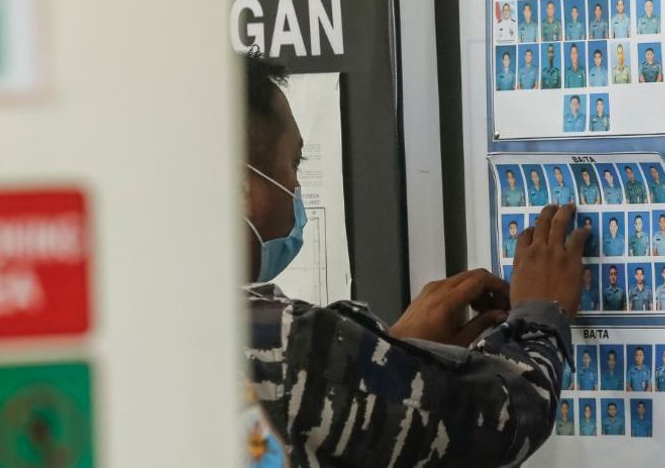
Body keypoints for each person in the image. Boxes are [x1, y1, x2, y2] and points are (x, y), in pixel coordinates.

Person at [242, 54, 590, 467]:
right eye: (293, 163)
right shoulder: (278, 342)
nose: (295, 186)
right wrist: (538, 313)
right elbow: (504, 419)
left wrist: (393, 355)